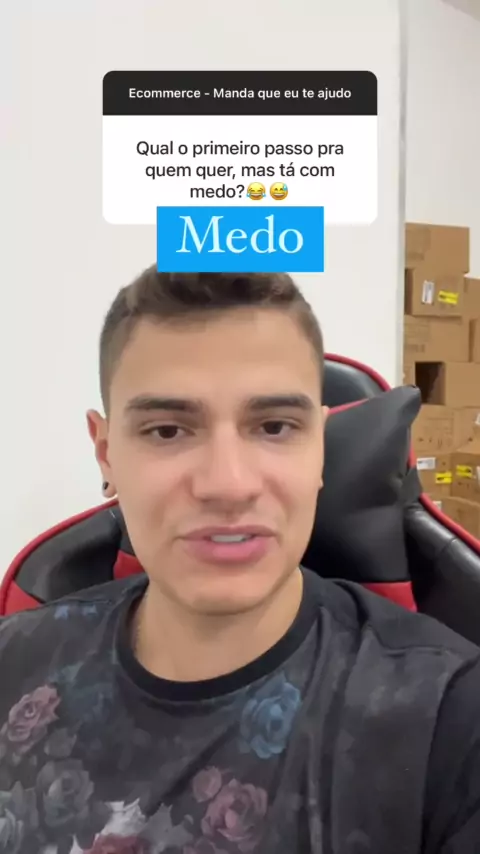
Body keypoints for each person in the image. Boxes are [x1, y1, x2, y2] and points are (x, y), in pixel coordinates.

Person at [1, 269, 480, 854]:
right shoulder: (12, 660)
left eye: (275, 427)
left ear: (319, 449)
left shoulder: (451, 723)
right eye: (168, 430)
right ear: (106, 455)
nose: (227, 485)